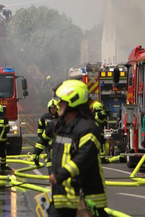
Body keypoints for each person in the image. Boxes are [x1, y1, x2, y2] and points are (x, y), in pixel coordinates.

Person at [47, 80, 107, 217]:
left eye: (62, 101)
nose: (59, 104)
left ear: (73, 101)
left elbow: (84, 157)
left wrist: (60, 175)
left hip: (87, 202)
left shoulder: (88, 128)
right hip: (62, 200)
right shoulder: (62, 128)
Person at [34, 99, 58, 167]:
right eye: (51, 108)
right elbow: (40, 129)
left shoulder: (61, 117)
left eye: (54, 108)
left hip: (58, 141)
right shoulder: (44, 117)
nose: (53, 109)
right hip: (47, 140)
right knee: (50, 157)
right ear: (49, 108)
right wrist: (41, 139)